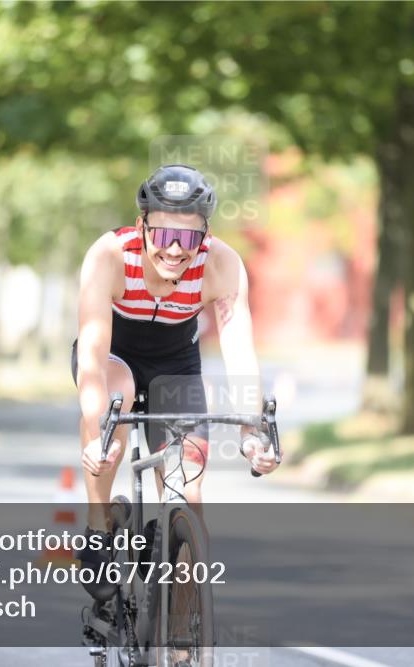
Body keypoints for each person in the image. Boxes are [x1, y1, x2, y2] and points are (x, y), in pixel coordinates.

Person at [71, 164, 277, 540]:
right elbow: (92, 359)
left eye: (189, 237)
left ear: (207, 234)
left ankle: (179, 575)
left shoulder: (221, 264)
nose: (175, 248)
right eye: (163, 234)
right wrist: (97, 430)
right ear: (141, 226)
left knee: (189, 492)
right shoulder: (109, 256)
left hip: (176, 363)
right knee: (116, 401)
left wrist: (252, 432)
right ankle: (98, 527)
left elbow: (240, 351)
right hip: (115, 359)